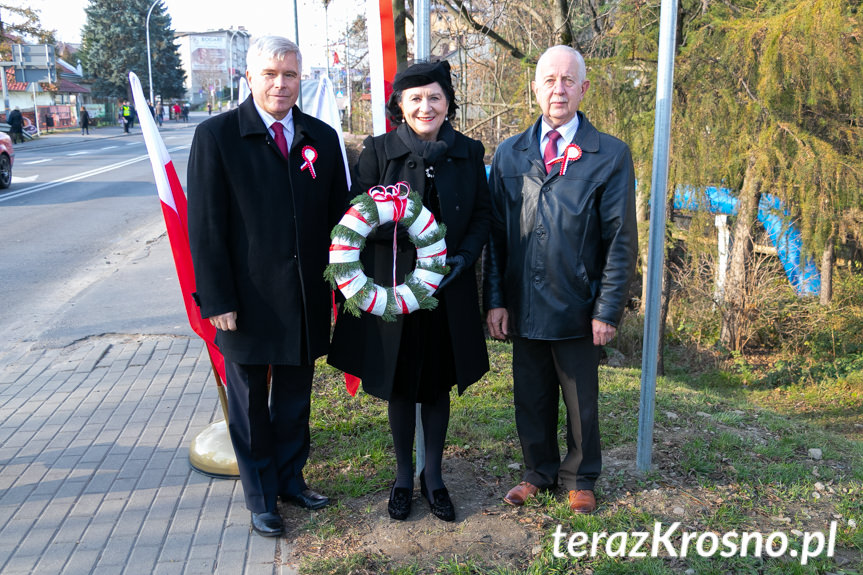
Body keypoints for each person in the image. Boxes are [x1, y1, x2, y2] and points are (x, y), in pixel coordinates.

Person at [187, 35, 348, 538]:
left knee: (296, 397)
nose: (281, 84)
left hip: (304, 294)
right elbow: (206, 225)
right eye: (271, 74)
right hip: (245, 301)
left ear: (303, 79)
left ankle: (290, 479)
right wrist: (217, 299)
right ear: (250, 77)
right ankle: (261, 497)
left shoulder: (320, 137)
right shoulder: (217, 136)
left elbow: (341, 218)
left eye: (291, 75)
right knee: (251, 403)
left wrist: (345, 284)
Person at [328, 60, 491, 522]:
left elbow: (481, 216)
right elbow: (356, 215)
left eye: (435, 97)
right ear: (401, 105)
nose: (426, 106)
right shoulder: (378, 151)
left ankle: (433, 476)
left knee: (436, 384)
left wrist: (460, 258)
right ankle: (403, 475)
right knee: (401, 384)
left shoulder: (468, 151)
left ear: (448, 103)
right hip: (395, 286)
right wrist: (409, 231)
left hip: (446, 291)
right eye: (415, 98)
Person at [483, 45, 638, 515]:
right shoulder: (510, 153)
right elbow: (495, 236)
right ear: (534, 88)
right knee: (529, 396)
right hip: (523, 301)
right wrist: (495, 299)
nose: (558, 89)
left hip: (577, 303)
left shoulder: (608, 154)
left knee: (580, 402)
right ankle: (538, 472)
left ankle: (580, 477)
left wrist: (607, 310)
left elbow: (621, 241)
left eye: (568, 80)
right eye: (549, 80)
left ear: (583, 88)